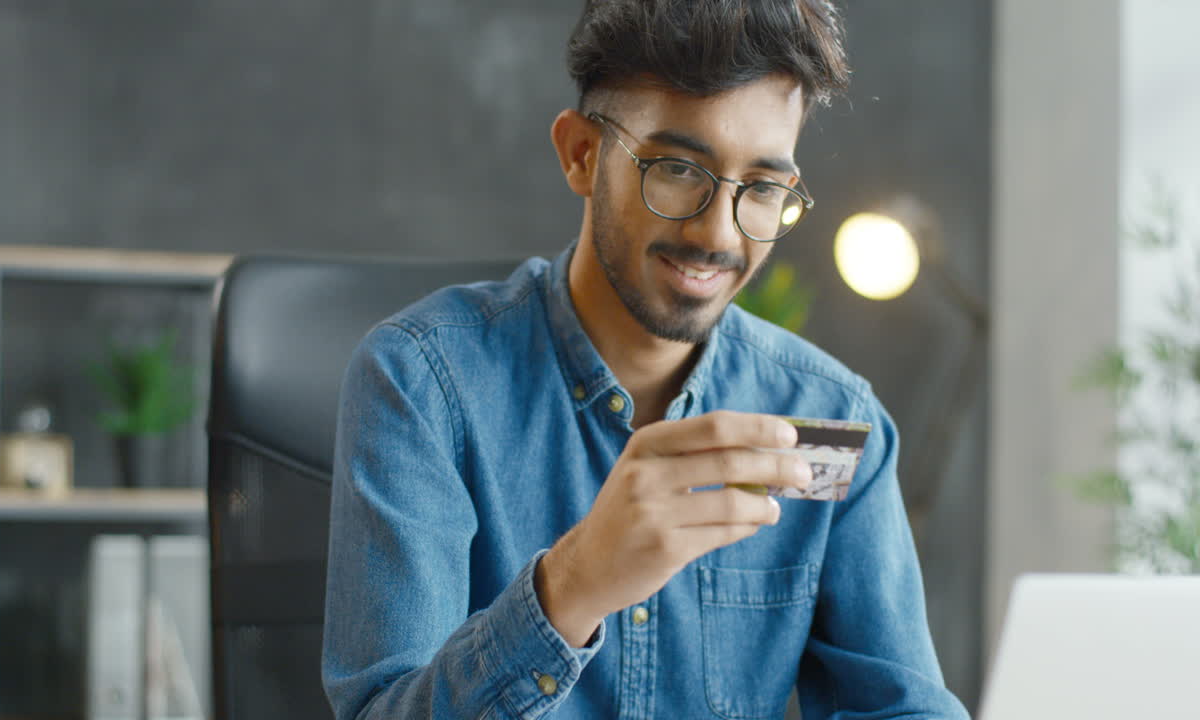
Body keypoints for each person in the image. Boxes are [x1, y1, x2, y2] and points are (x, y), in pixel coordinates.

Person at [322, 1, 970, 718]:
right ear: (581, 155)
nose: (717, 234)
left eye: (761, 188)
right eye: (676, 170)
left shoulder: (831, 423)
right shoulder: (422, 384)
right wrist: (572, 587)